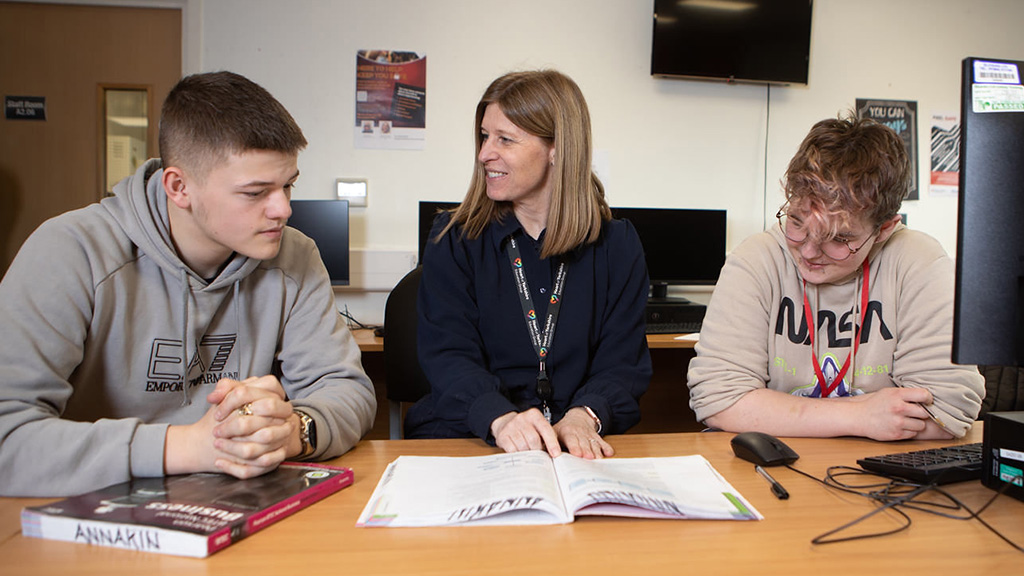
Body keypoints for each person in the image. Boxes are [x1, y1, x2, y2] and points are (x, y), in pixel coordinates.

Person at [0, 71, 376, 497]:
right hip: (94, 508)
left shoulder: (296, 255)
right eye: (255, 192)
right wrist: (190, 447)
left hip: (237, 503)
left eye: (288, 185)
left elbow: (346, 391)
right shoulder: (70, 251)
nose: (283, 209)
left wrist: (293, 431)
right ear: (179, 187)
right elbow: (7, 435)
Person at [687, 114, 984, 441]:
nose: (809, 251)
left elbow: (947, 412)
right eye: (797, 223)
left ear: (884, 228)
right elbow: (719, 400)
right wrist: (860, 417)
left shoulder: (921, 262)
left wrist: (771, 413)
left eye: (839, 239)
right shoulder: (757, 259)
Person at [405, 70, 652, 458]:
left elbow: (622, 363)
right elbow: (448, 354)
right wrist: (501, 418)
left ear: (557, 148)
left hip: (573, 442)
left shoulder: (616, 245)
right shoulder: (454, 239)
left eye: (505, 139)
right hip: (473, 434)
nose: (485, 153)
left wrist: (584, 416)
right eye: (485, 136)